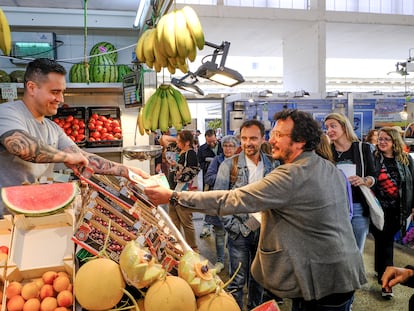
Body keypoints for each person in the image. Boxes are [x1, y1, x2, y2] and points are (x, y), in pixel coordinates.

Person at [145, 109, 367, 311]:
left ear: (299, 141)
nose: (272, 140)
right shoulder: (326, 166)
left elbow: (231, 199)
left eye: (279, 135)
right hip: (342, 272)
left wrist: (174, 196)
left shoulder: (290, 175)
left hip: (322, 279)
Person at [0, 58, 148, 216]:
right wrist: (66, 157)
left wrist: (125, 170)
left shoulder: (53, 128)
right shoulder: (7, 112)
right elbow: (20, 145)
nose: (61, 99)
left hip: (34, 213)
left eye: (62, 92)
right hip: (4, 218)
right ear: (32, 88)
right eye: (54, 92)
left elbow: (82, 157)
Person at [213, 120, 277, 310]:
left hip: (264, 231)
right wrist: (235, 228)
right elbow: (219, 201)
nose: (248, 143)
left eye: (253, 138)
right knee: (237, 281)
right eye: (244, 138)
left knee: (259, 280)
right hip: (239, 232)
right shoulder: (228, 165)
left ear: (262, 139)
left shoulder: (272, 165)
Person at [372, 127, 414, 299]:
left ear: (394, 141)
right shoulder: (373, 159)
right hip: (377, 209)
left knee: (385, 242)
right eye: (380, 139)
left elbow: (413, 183)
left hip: (399, 209)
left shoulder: (406, 160)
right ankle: (385, 280)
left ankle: (381, 272)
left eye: (386, 139)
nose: (382, 142)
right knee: (383, 242)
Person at [325, 112, 376, 253]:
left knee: (355, 251)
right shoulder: (327, 152)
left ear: (344, 126)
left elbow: (374, 176)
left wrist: (364, 180)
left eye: (333, 126)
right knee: (336, 250)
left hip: (358, 206)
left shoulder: (362, 148)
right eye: (327, 127)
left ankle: (355, 275)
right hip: (334, 207)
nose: (329, 131)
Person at [204, 135, 239, 273]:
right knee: (219, 234)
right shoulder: (217, 160)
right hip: (219, 202)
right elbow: (208, 177)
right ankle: (220, 261)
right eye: (225, 145)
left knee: (234, 236)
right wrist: (224, 176)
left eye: (231, 146)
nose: (228, 148)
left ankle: (234, 263)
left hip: (235, 204)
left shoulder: (240, 162)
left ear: (236, 148)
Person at [167, 130, 200, 251]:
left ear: (186, 142)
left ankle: (193, 248)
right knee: (174, 220)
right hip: (172, 191)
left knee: (186, 221)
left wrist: (177, 167)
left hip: (183, 192)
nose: (176, 142)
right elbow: (163, 140)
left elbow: (192, 172)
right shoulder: (178, 150)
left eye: (179, 140)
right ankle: (177, 246)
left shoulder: (190, 154)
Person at [197, 129, 223, 238]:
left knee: (221, 201)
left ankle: (219, 224)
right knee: (207, 202)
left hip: (222, 179)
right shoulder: (202, 149)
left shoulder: (223, 146)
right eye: (209, 142)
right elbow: (200, 164)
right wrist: (210, 164)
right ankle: (206, 226)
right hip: (208, 180)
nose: (211, 144)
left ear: (216, 137)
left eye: (213, 141)